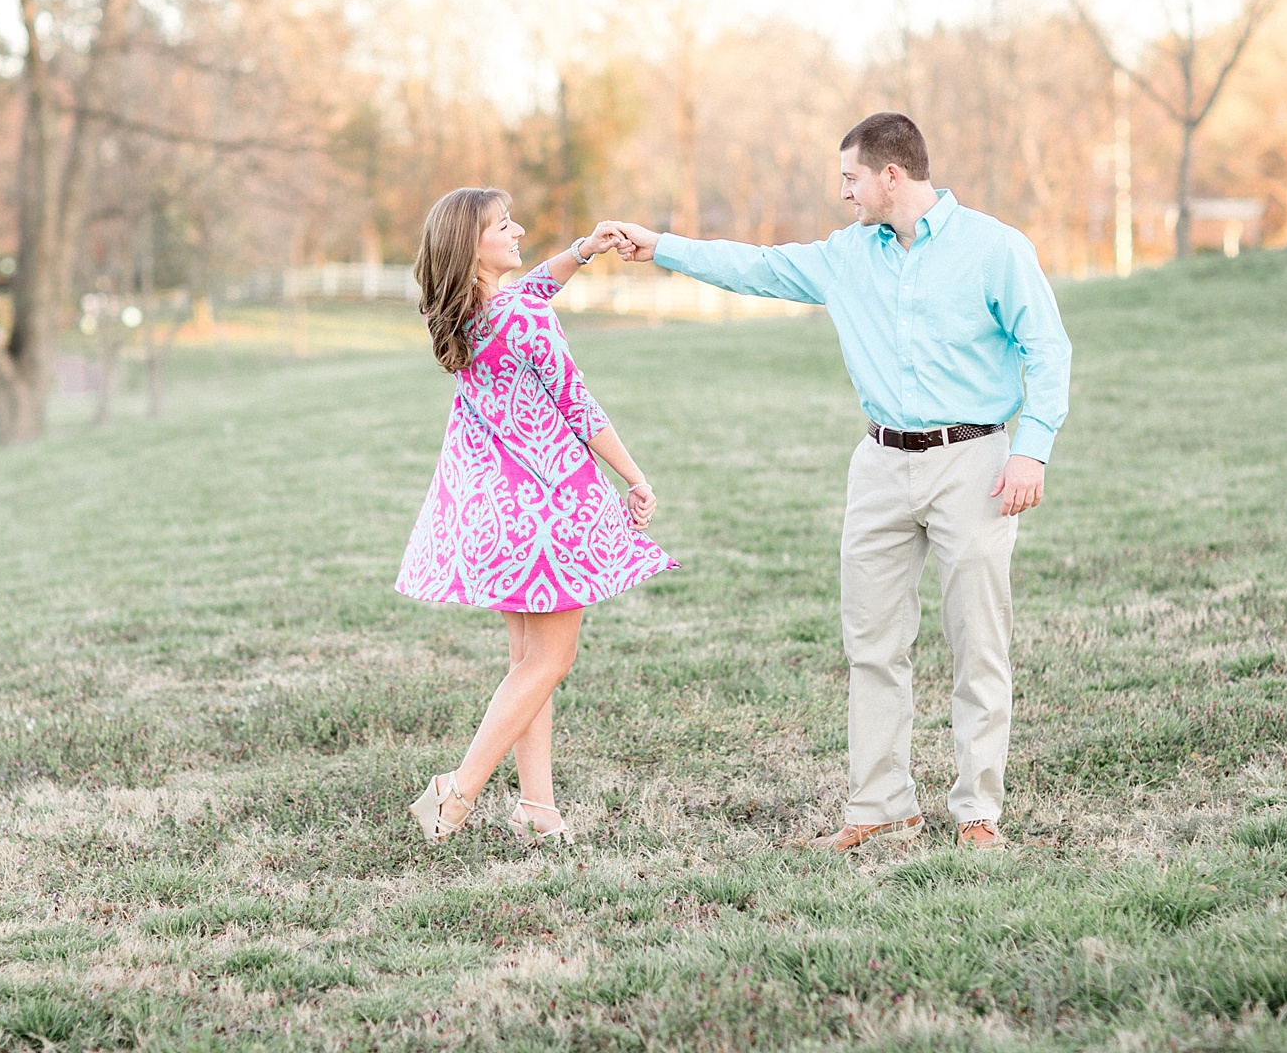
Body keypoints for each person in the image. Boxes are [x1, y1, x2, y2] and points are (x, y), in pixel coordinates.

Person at [597, 112, 1071, 851]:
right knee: (872, 644)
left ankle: (978, 812)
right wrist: (659, 247)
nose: (842, 193)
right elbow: (753, 266)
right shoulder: (844, 257)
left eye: (850, 178)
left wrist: (1031, 449)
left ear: (891, 175)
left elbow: (1046, 349)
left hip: (974, 460)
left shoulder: (996, 249)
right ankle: (881, 810)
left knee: (978, 642)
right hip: (879, 463)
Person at [397, 187, 677, 846]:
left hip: (494, 515)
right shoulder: (521, 320)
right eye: (504, 225)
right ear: (474, 246)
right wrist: (634, 477)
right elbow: (578, 406)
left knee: (528, 662)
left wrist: (583, 251)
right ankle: (456, 790)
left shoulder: (468, 313)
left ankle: (538, 809)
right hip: (546, 513)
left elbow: (535, 289)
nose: (518, 229)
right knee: (549, 662)